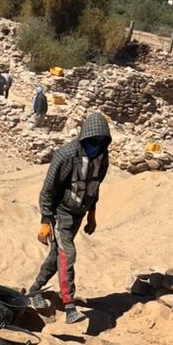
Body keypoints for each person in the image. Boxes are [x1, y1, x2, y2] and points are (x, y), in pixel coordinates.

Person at [28, 112, 112, 325]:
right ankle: (70, 306)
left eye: (101, 142)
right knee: (68, 254)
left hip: (79, 212)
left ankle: (35, 289)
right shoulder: (66, 155)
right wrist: (46, 220)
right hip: (61, 212)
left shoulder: (102, 158)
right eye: (93, 141)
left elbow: (95, 186)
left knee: (57, 256)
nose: (96, 145)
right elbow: (48, 190)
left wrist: (92, 214)